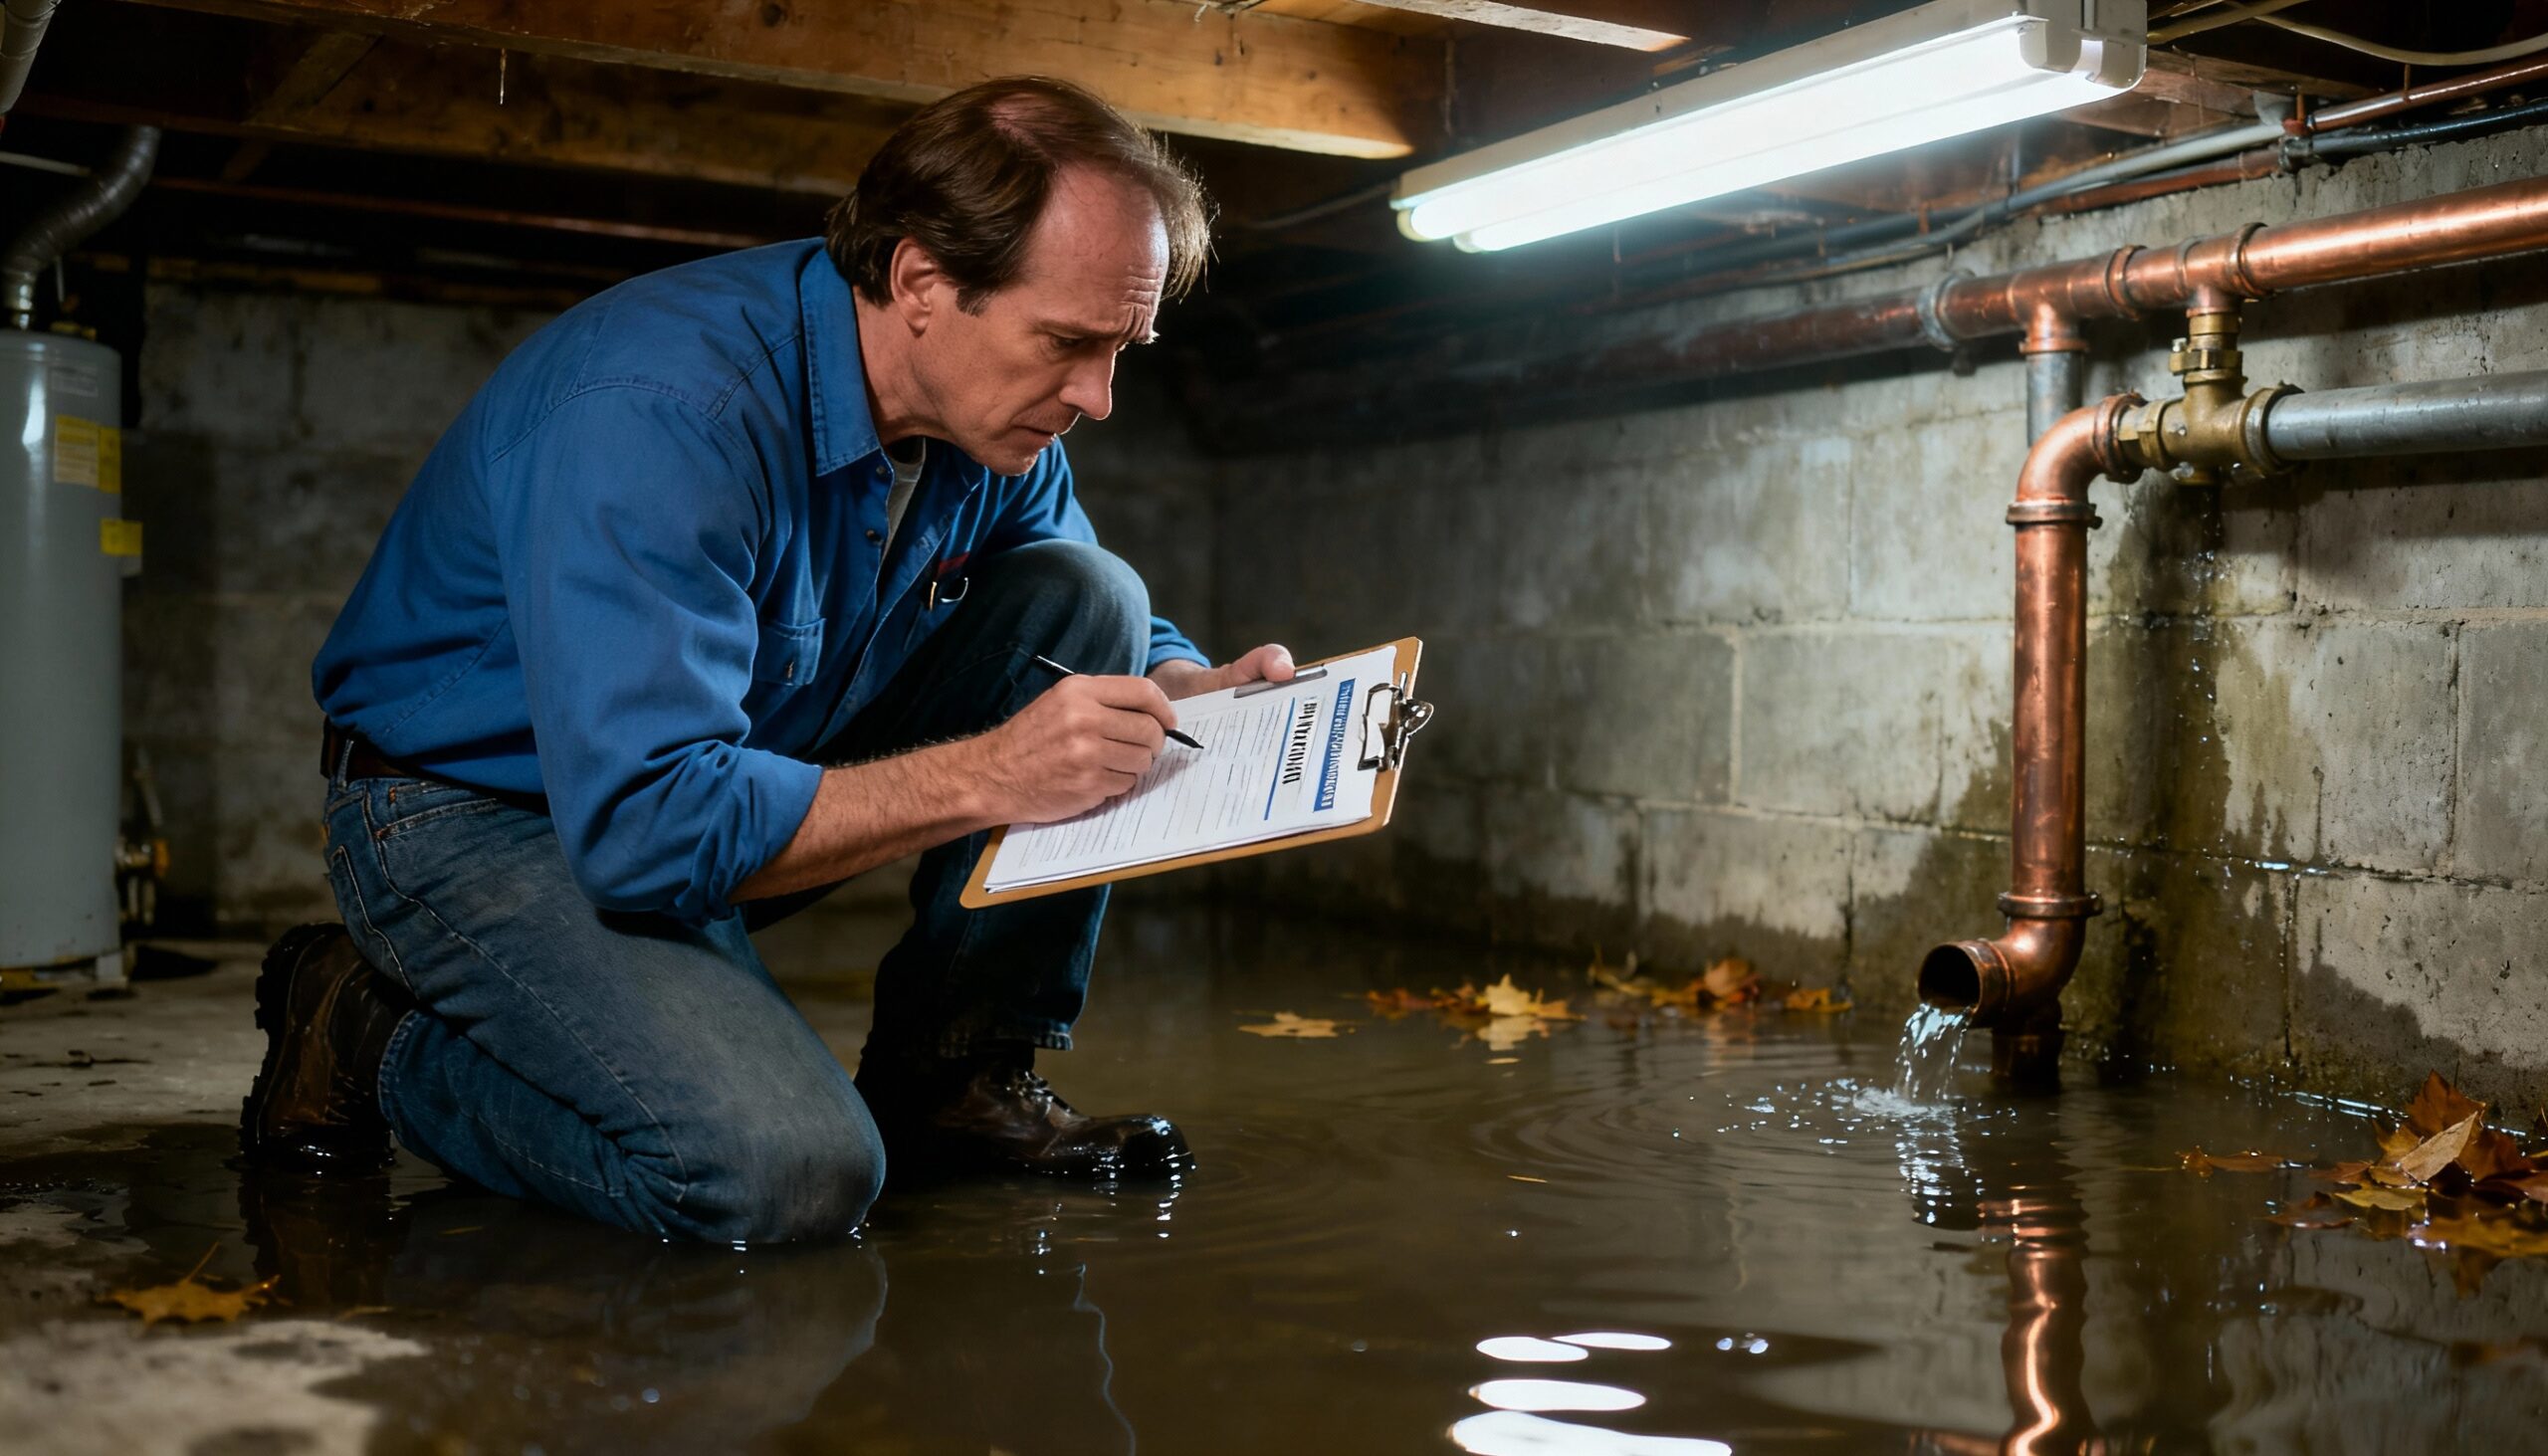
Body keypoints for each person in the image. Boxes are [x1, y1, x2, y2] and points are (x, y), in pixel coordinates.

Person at [238, 76, 1295, 1244]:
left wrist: (1184, 683)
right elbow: (647, 827)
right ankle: (363, 1027)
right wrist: (991, 772)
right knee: (785, 1175)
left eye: (1122, 349)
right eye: (1066, 343)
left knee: (1095, 597)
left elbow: (1071, 588)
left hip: (725, 766)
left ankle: (953, 1083)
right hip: (474, 812)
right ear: (921, 281)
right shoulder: (664, 412)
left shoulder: (982, 413)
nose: (1096, 397)